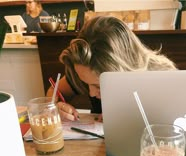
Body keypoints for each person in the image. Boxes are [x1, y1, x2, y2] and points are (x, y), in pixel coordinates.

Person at [46, 15, 177, 121]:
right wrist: (57, 106)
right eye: (86, 84)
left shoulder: (163, 75)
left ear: (124, 69)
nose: (91, 93)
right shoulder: (84, 69)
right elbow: (54, 90)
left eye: (99, 86)